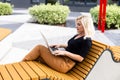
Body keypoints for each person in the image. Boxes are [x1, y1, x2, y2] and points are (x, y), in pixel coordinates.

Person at [22, 15, 95, 73]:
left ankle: (20, 65)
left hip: (65, 64)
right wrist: (60, 45)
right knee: (37, 57)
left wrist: (65, 53)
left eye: (79, 25)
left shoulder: (87, 40)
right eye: (77, 24)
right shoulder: (78, 35)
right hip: (62, 59)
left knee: (39, 48)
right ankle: (24, 70)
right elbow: (72, 47)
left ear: (86, 26)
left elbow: (80, 58)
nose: (76, 26)